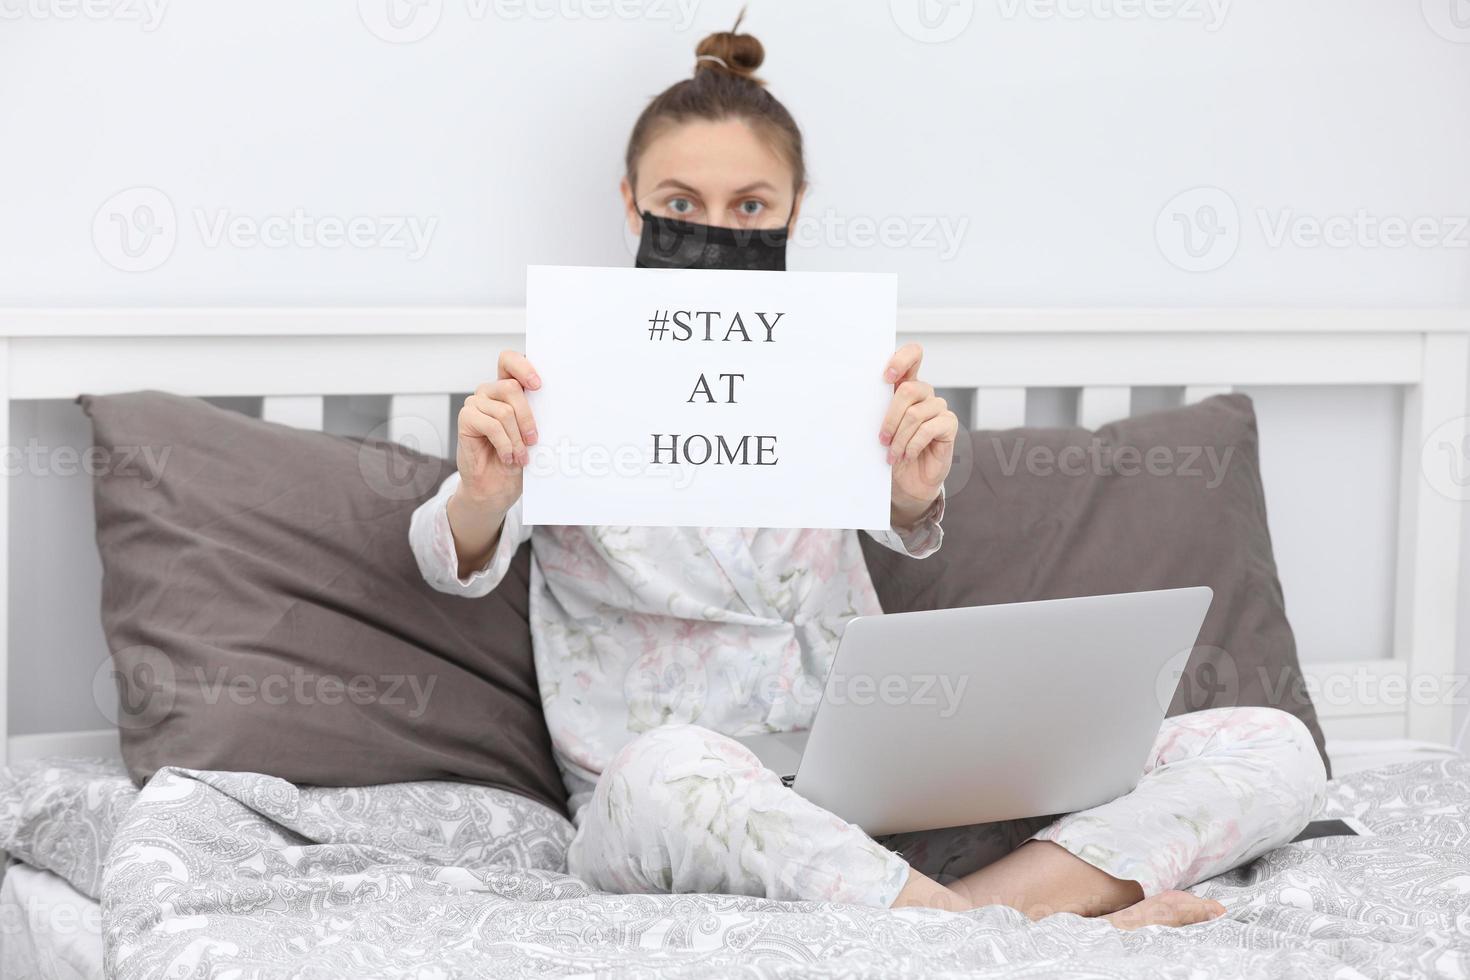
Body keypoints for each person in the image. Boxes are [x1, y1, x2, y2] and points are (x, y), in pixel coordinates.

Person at [411, 23, 1326, 928]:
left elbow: (904, 519)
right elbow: (448, 558)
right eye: (680, 205)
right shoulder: (566, 373)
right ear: (631, 201)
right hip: (690, 813)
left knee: (1274, 746)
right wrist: (482, 495)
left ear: (795, 210)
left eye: (751, 206)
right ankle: (1045, 925)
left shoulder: (836, 368)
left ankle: (966, 919)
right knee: (663, 770)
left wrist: (912, 488)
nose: (715, 229)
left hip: (881, 804)